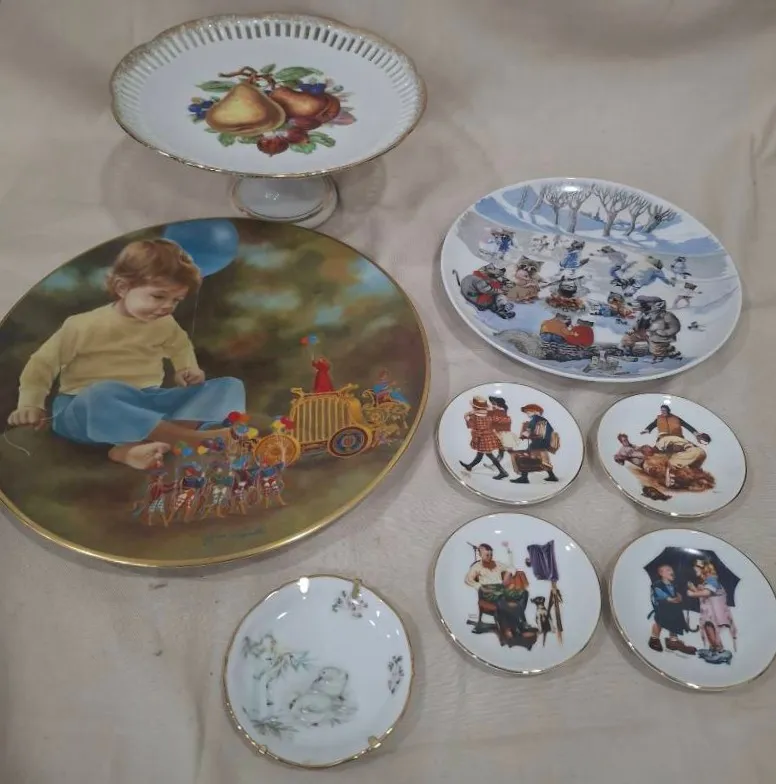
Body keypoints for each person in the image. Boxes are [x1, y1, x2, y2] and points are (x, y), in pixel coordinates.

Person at [6, 239, 246, 470]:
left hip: (143, 400)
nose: (167, 306)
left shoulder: (165, 324)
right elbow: (43, 363)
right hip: (83, 408)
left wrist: (187, 369)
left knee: (228, 385)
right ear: (123, 288)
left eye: (176, 300)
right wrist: (30, 403)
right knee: (103, 392)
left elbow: (180, 346)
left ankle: (136, 448)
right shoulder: (82, 325)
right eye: (159, 296)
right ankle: (186, 439)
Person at [641, 404, 711, 487]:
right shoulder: (659, 418)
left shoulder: (676, 418)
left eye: (664, 410)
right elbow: (652, 424)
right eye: (662, 410)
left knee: (688, 454)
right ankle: (667, 473)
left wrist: (696, 434)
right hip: (664, 439)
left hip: (677, 439)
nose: (663, 412)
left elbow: (687, 426)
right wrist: (647, 430)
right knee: (660, 456)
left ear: (668, 410)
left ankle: (685, 473)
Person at [686, 559, 737, 663]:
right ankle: (713, 648)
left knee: (712, 629)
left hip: (713, 613)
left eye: (696, 569)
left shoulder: (712, 580)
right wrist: (694, 589)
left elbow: (707, 593)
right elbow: (706, 594)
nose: (694, 571)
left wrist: (693, 594)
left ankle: (719, 649)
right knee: (708, 629)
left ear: (704, 569)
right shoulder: (706, 581)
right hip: (707, 613)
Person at [647, 564, 697, 654]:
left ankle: (673, 641)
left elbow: (679, 594)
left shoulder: (674, 585)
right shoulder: (657, 585)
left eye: (672, 570)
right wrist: (672, 599)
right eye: (668, 570)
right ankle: (654, 639)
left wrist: (682, 594)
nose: (672, 572)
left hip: (673, 610)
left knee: (675, 623)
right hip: (663, 608)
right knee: (659, 622)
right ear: (661, 573)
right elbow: (661, 595)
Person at [459, 396, 509, 480]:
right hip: (489, 436)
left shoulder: (474, 416)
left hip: (482, 438)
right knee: (480, 454)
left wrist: (466, 417)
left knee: (489, 455)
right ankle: (470, 466)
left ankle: (503, 472)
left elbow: (470, 426)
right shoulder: (490, 414)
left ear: (475, 407)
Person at [513, 403, 559, 484]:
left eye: (528, 412)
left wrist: (523, 435)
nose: (527, 414)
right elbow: (550, 430)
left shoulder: (535, 419)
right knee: (544, 459)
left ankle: (524, 478)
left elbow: (528, 431)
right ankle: (552, 476)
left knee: (525, 457)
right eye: (526, 412)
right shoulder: (544, 420)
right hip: (544, 443)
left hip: (537, 443)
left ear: (535, 412)